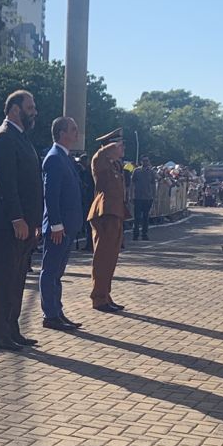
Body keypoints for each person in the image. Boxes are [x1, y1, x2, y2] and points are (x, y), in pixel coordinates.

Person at [0, 90, 42, 350]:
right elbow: (6, 183)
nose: (34, 112)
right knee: (4, 280)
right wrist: (18, 218)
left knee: (18, 278)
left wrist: (35, 221)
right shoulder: (4, 137)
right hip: (10, 223)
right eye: (30, 108)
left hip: (25, 223)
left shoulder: (21, 138)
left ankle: (12, 327)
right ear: (15, 110)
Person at [39, 116, 85, 332]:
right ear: (61, 133)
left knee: (57, 272)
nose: (77, 133)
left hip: (68, 225)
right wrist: (56, 224)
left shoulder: (65, 157)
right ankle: (50, 314)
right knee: (50, 271)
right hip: (59, 227)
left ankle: (57, 311)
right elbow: (51, 194)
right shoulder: (54, 158)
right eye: (73, 129)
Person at [88, 130, 128, 313]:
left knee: (111, 258)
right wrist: (108, 147)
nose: (123, 149)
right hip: (104, 214)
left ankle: (106, 294)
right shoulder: (100, 161)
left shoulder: (116, 165)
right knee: (103, 257)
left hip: (116, 213)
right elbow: (98, 156)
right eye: (120, 145)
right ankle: (98, 298)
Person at [131, 157, 156, 240]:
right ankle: (135, 234)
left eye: (147, 161)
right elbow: (132, 183)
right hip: (138, 197)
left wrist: (154, 196)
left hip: (148, 198)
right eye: (144, 161)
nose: (145, 162)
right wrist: (131, 195)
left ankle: (144, 234)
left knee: (146, 217)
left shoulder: (151, 172)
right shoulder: (136, 171)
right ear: (141, 162)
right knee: (137, 217)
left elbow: (153, 185)